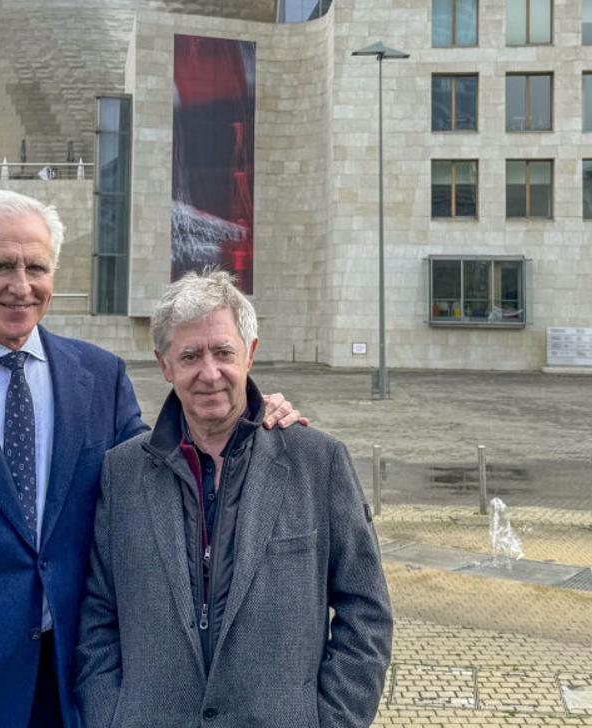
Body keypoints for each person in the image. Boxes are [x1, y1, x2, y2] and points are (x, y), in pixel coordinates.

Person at [0, 191, 301, 728]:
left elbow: (161, 472)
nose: (21, 285)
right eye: (0, 266)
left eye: (35, 266)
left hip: (75, 694)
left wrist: (252, 411)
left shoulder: (100, 380)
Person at [75, 270, 392, 728]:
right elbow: (97, 617)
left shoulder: (317, 463)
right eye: (190, 356)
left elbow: (367, 611)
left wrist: (334, 721)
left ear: (250, 354)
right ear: (165, 365)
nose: (210, 373)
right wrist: (108, 716)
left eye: (223, 352)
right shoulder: (122, 473)